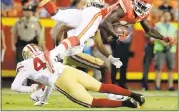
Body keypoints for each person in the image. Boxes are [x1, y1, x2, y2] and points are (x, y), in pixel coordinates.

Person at [15, 0, 123, 82]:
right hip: (72, 53)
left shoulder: (84, 17)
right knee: (102, 67)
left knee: (54, 13)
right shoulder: (90, 18)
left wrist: (110, 57)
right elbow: (62, 29)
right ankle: (109, 92)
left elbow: (98, 43)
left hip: (70, 50)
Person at [11, 44, 144, 108]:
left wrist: (31, 89)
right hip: (69, 70)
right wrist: (43, 100)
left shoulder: (24, 65)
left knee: (91, 102)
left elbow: (15, 86)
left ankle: (126, 103)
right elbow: (47, 85)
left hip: (61, 81)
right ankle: (135, 95)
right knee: (103, 86)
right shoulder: (48, 53)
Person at [100, 0, 175, 49]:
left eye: (144, 7)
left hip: (106, 29)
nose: (141, 9)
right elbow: (105, 23)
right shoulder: (123, 8)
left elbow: (149, 30)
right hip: (97, 22)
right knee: (122, 31)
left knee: (123, 31)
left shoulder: (142, 14)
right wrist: (116, 37)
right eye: (140, 5)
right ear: (135, 0)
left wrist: (163, 37)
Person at [154, 11, 177, 91]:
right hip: (160, 49)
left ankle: (170, 86)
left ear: (170, 17)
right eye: (165, 15)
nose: (167, 17)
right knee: (158, 68)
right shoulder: (157, 25)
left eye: (168, 15)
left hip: (170, 49)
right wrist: (164, 45)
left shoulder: (174, 26)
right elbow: (156, 36)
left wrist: (170, 45)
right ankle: (157, 86)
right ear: (162, 16)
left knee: (170, 68)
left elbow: (176, 37)